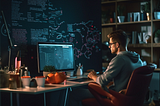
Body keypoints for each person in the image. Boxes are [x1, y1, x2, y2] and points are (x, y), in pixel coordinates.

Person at [68, 30, 143, 106]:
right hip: (129, 98)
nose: (109, 46)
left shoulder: (120, 59)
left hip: (115, 96)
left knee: (75, 93)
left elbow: (102, 81)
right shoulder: (138, 59)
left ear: (117, 45)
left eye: (110, 44)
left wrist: (93, 76)